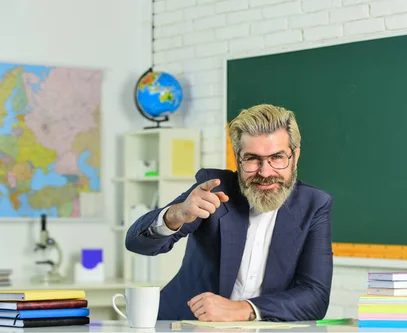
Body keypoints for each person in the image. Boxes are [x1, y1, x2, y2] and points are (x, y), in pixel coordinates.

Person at [125, 104, 334, 322]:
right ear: (237, 158)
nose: (265, 172)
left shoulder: (315, 205)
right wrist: (177, 214)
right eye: (252, 158)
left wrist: (244, 309)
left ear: (295, 156)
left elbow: (315, 297)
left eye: (277, 157)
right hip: (182, 324)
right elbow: (136, 243)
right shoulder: (215, 189)